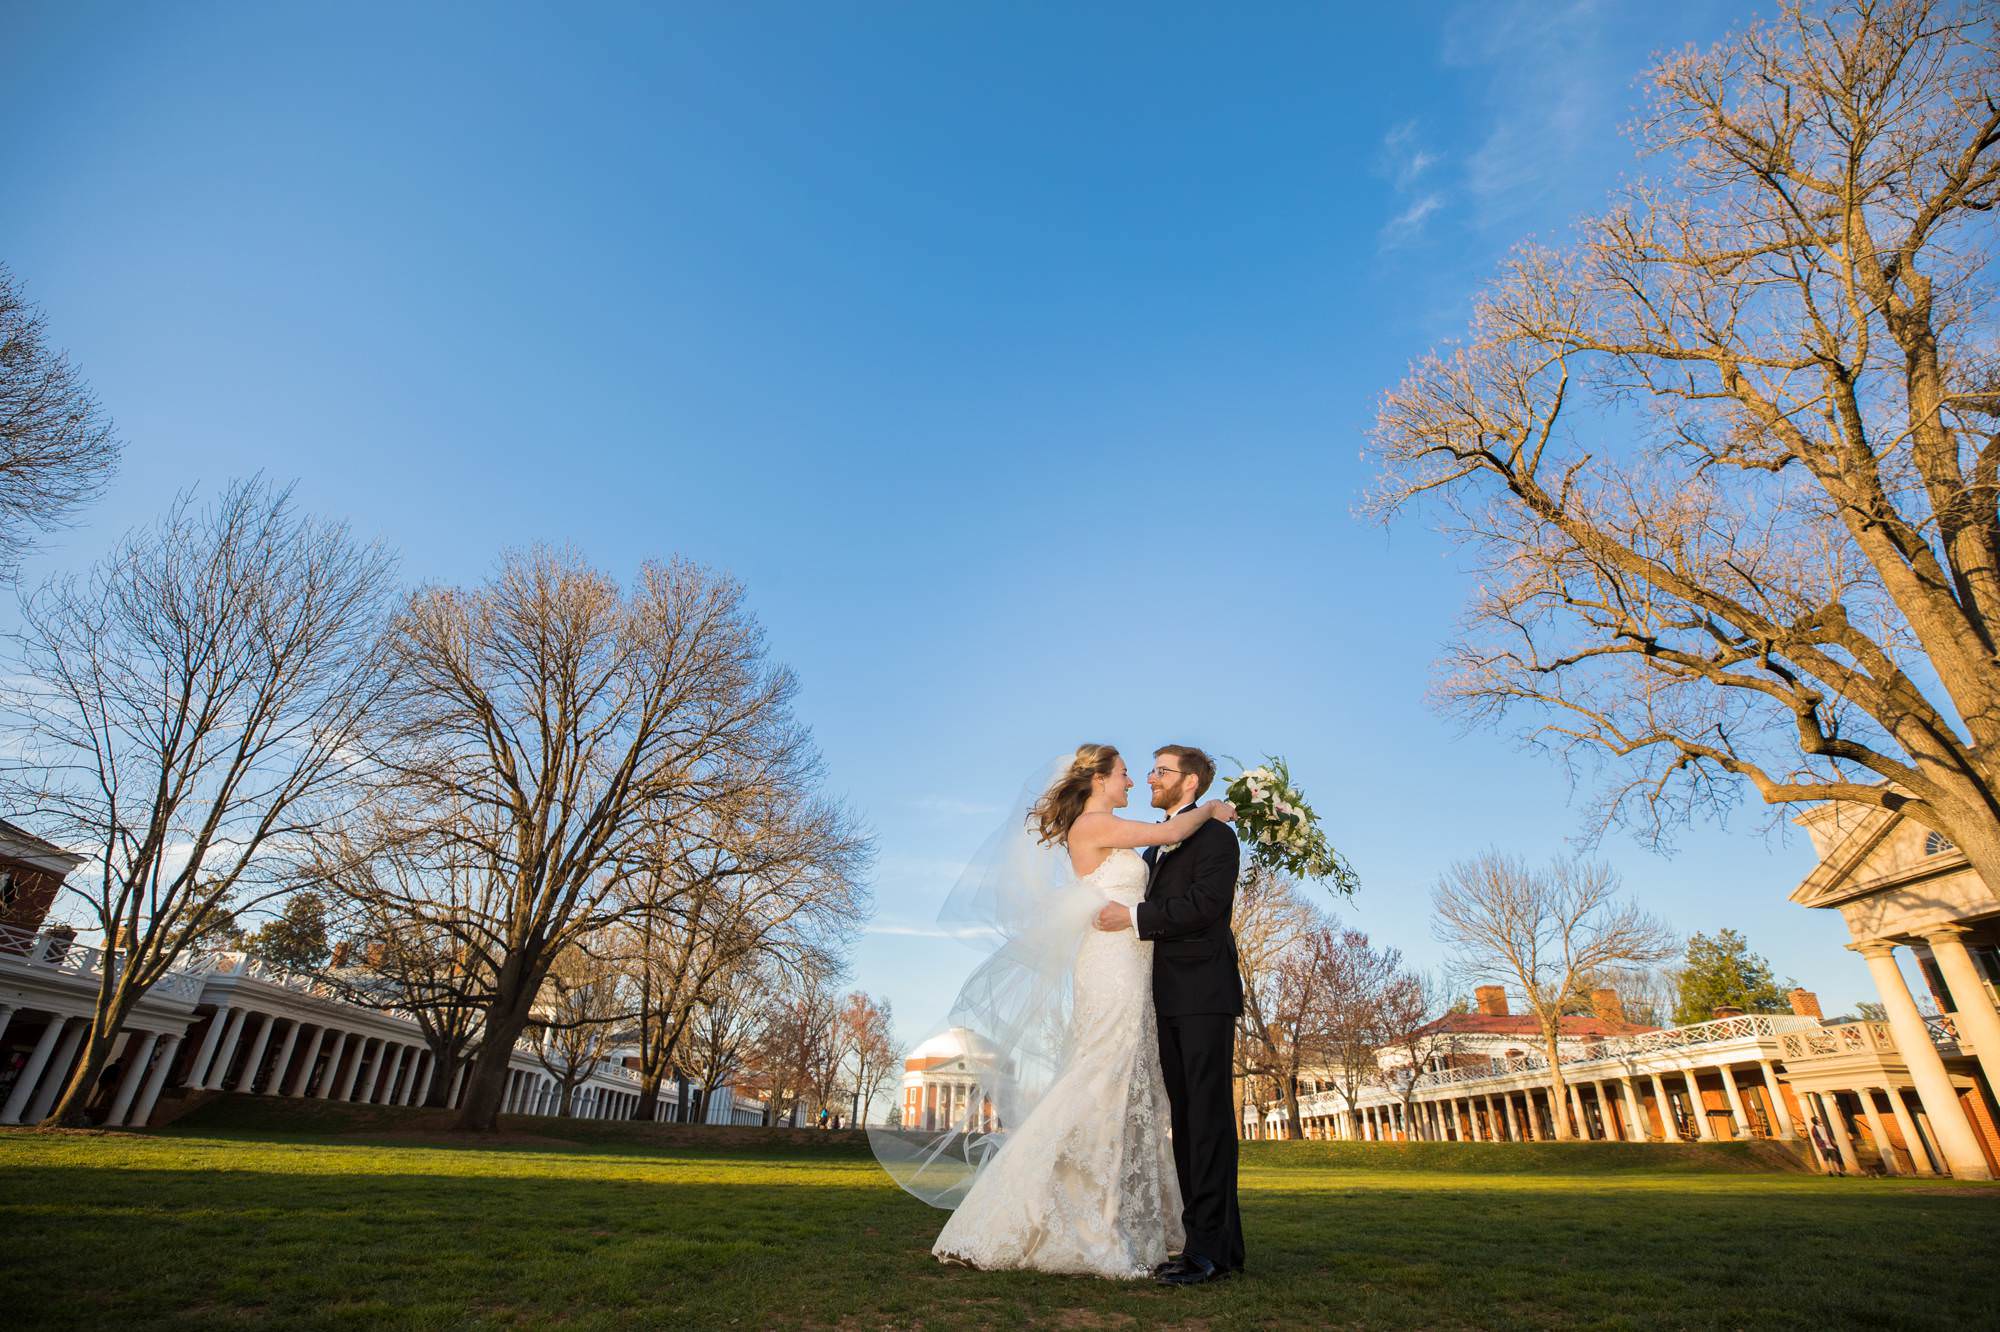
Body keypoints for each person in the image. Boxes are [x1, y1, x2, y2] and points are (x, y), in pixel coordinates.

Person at [919, 744, 1236, 1280]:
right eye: (1128, 773)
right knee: (1097, 1077)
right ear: (1097, 778)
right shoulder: (1095, 825)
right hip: (1112, 967)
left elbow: (1181, 879)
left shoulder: (1123, 828)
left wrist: (1208, 816)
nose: (1135, 780)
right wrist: (1215, 808)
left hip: (1142, 973)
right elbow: (1168, 834)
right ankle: (1054, 1214)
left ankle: (1142, 1223)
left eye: (1152, 771)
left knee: (1128, 1089)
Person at [1093, 744, 1246, 1286]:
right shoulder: (1158, 847)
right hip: (1164, 996)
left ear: (1191, 782)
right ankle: (1214, 1245)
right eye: (1150, 769)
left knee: (1205, 1123)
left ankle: (1208, 1251)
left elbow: (1205, 907)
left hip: (1204, 993)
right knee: (1186, 1122)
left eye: (1161, 770)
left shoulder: (1216, 838)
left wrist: (1133, 916)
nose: (1152, 777)